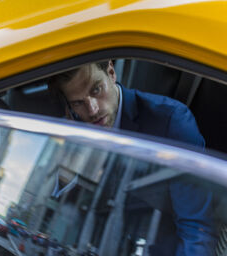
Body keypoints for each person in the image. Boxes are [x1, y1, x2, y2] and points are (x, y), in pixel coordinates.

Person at [48, 61, 217, 256]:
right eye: (78, 102)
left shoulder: (171, 122)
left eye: (96, 89)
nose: (92, 110)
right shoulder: (78, 130)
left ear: (111, 73)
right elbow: (60, 193)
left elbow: (196, 229)